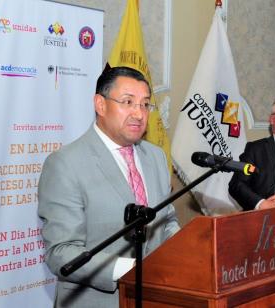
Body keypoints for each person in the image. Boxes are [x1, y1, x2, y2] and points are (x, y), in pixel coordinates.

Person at [38, 67, 180, 308]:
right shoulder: (65, 163)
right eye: (128, 102)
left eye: (145, 104)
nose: (138, 113)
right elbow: (61, 252)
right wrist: (131, 271)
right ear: (100, 105)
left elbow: (167, 222)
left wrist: (190, 254)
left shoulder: (155, 156)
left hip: (157, 298)